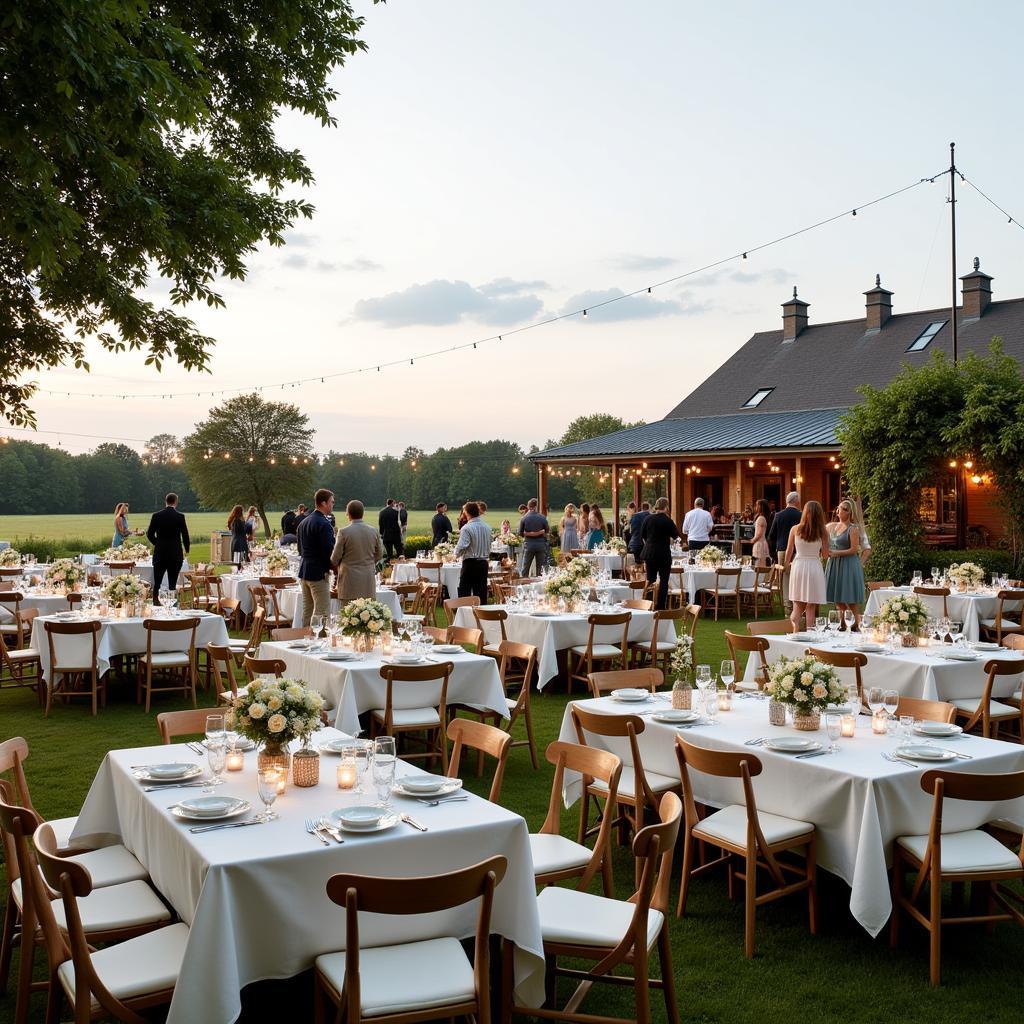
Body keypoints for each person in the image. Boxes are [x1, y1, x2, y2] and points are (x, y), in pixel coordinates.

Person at [785, 500, 828, 633]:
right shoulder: (823, 532)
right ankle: (810, 636)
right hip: (814, 566)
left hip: (798, 566)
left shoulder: (795, 529)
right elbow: (826, 555)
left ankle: (794, 633)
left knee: (797, 604)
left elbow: (789, 551)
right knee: (811, 606)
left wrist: (787, 565)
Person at [297, 489, 336, 627]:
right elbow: (329, 552)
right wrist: (335, 568)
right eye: (331, 502)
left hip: (304, 570)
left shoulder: (303, 522)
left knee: (307, 610)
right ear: (323, 503)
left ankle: (305, 638)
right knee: (322, 611)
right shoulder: (324, 524)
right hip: (318, 572)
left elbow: (299, 549)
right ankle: (317, 640)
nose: (333, 505)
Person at [826, 498, 866, 629]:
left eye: (843, 509)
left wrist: (837, 553)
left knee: (849, 595)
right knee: (838, 595)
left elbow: (854, 549)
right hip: (834, 564)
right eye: (838, 507)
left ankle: (857, 622)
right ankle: (842, 622)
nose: (839, 510)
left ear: (849, 512)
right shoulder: (833, 526)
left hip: (848, 564)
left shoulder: (853, 528)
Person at [331, 499, 383, 601]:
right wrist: (368, 562)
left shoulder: (343, 532)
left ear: (348, 514)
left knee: (347, 613)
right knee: (367, 614)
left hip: (348, 580)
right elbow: (379, 554)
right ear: (363, 513)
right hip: (367, 580)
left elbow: (335, 559)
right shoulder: (373, 531)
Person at [146, 493, 190, 601]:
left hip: (160, 553)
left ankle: (155, 601)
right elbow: (185, 535)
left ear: (165, 501)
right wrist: (187, 549)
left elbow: (149, 534)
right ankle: (171, 603)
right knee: (172, 582)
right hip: (175, 553)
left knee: (157, 581)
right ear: (176, 502)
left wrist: (158, 543)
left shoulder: (156, 516)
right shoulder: (180, 516)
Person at [641, 497, 680, 610]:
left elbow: (643, 536)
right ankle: (661, 606)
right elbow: (676, 537)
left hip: (649, 553)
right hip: (663, 554)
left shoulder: (648, 519)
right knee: (664, 581)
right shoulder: (668, 521)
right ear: (666, 507)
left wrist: (649, 545)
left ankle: (648, 604)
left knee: (650, 579)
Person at [767, 491, 802, 612]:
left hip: (782, 549)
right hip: (798, 550)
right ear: (796, 501)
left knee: (785, 578)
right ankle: (798, 604)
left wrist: (773, 554)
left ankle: (788, 606)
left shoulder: (778, 515)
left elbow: (771, 536)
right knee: (798, 577)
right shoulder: (801, 515)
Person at [454, 501, 490, 601]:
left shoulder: (466, 528)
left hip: (470, 563)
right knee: (481, 594)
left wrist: (455, 555)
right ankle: (482, 615)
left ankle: (464, 615)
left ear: (466, 512)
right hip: (483, 563)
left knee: (464, 593)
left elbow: (462, 546)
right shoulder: (487, 527)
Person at [519, 498, 550, 576]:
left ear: (528, 506)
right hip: (540, 545)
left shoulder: (524, 518)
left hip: (529, 545)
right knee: (540, 569)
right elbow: (547, 531)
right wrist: (538, 533)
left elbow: (521, 533)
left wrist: (529, 534)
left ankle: (524, 584)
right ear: (536, 506)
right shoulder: (542, 517)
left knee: (525, 568)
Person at [627, 501, 651, 566]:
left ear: (642, 508)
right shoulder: (651, 517)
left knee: (634, 567)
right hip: (646, 546)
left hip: (634, 545)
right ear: (649, 508)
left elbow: (631, 531)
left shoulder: (635, 516)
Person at [751, 498, 770, 567]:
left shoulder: (761, 518)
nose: (755, 507)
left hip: (760, 544)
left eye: (757, 505)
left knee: (759, 565)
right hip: (760, 543)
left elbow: (759, 533)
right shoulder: (761, 517)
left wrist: (752, 540)